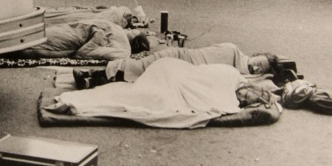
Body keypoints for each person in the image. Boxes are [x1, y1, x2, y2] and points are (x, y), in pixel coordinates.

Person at [51, 57, 282, 129]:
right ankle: (82, 99)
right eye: (246, 97)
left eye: (244, 103)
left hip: (170, 71)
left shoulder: (233, 84)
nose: (241, 101)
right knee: (153, 100)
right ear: (247, 88)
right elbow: (208, 90)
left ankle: (84, 97)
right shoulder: (231, 77)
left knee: (140, 96)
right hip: (172, 74)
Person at [73, 42, 281, 89]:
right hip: (180, 58)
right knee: (139, 67)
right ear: (256, 55)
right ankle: (92, 74)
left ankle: (93, 79)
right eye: (258, 63)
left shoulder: (239, 72)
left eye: (260, 70)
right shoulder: (233, 52)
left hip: (182, 66)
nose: (256, 68)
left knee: (139, 78)